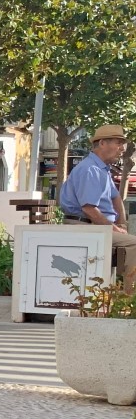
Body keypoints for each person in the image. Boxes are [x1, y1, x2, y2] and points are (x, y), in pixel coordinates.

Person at [59, 124, 136, 293]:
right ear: (102, 143)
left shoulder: (102, 169)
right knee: (134, 245)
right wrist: (114, 228)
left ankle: (120, 294)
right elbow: (89, 209)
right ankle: (130, 299)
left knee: (128, 240)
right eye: (118, 143)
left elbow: (116, 198)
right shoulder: (90, 170)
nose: (122, 148)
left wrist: (121, 224)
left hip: (93, 226)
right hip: (83, 225)